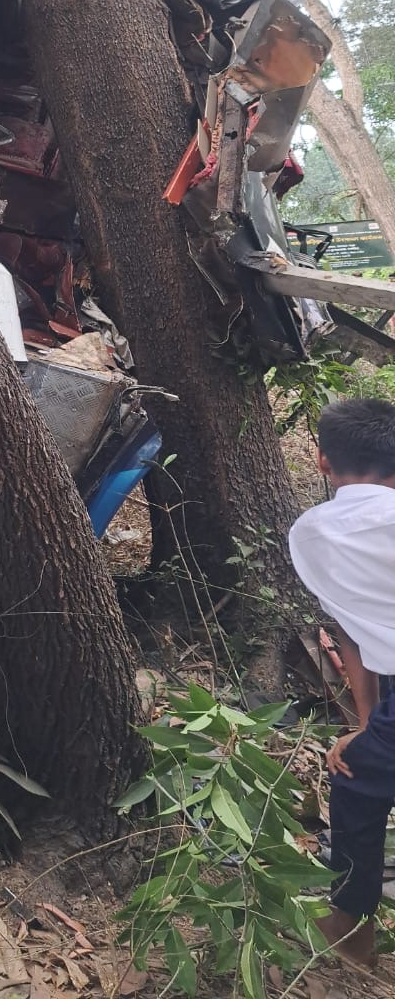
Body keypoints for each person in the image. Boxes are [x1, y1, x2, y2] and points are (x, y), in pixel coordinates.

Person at [288, 396, 395, 971]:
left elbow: (349, 636)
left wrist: (364, 723)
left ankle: (350, 930)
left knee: (355, 783)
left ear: (323, 462)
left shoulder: (312, 535)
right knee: (365, 769)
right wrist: (368, 727)